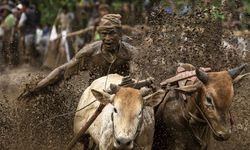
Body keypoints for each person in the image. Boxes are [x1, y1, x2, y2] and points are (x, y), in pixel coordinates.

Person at [19, 14, 138, 98]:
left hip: (124, 95)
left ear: (120, 34)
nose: (107, 38)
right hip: (95, 96)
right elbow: (63, 70)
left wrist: (134, 82)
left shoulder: (131, 53)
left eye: (112, 33)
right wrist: (38, 87)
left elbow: (138, 74)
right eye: (104, 34)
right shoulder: (89, 52)